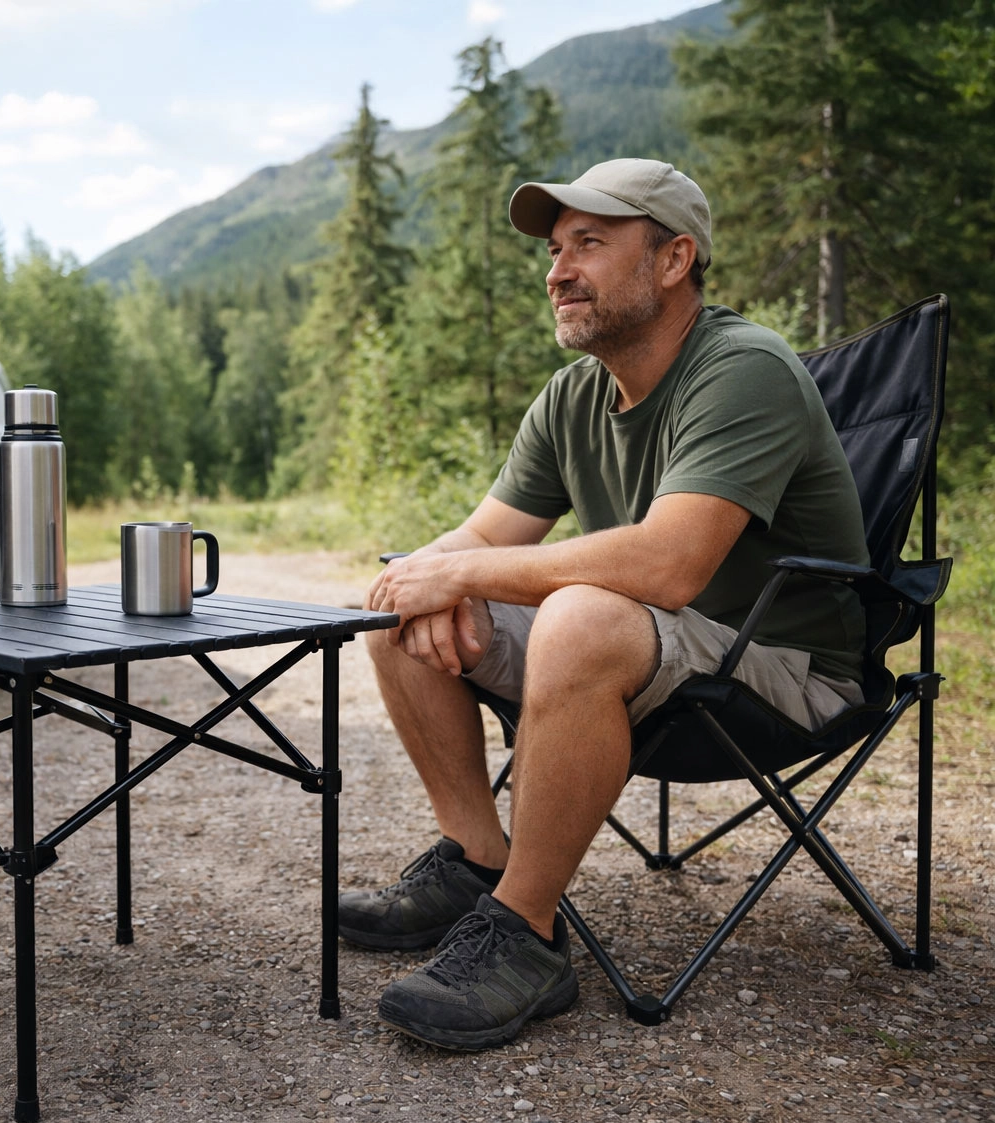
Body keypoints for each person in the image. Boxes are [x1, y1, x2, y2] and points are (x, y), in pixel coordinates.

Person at [341, 158, 869, 1051]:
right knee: (400, 606)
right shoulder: (572, 396)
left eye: (588, 243)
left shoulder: (744, 368)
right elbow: (483, 536)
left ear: (674, 260)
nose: (558, 271)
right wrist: (420, 576)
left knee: (578, 614)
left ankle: (525, 933)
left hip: (784, 669)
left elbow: (669, 565)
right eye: (554, 250)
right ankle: (478, 864)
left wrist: (460, 576)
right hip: (658, 649)